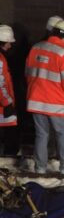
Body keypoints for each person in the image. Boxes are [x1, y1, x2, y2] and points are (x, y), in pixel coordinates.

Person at [25, 18, 64, 174]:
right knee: (62, 135)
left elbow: (28, 75)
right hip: (56, 104)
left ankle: (40, 168)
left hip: (35, 101)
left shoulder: (35, 48)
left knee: (41, 135)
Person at [0, 24, 19, 156]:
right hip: (3, 106)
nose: (10, 46)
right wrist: (7, 102)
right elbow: (0, 84)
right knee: (11, 134)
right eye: (8, 42)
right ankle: (9, 158)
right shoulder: (0, 60)